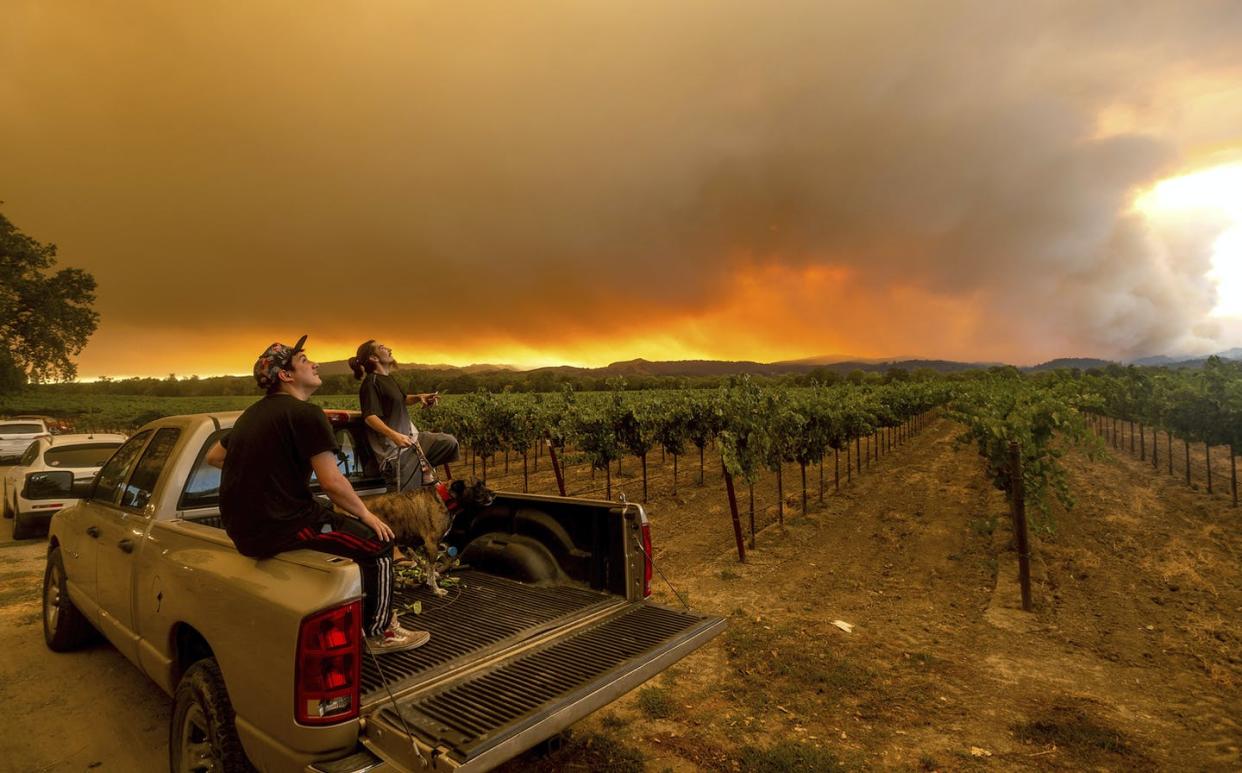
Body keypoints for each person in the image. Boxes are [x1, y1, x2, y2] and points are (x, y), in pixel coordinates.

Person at [205, 335, 429, 654]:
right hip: (282, 527)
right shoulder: (307, 414)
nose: (315, 364)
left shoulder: (251, 415)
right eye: (305, 361)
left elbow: (214, 456)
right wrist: (367, 516)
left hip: (244, 531)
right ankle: (381, 633)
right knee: (379, 543)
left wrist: (266, 474)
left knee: (328, 512)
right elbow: (332, 482)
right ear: (286, 375)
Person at [348, 339, 460, 491]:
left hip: (412, 443)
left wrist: (420, 397)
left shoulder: (388, 379)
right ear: (373, 358)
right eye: (382, 347)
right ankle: (418, 472)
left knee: (449, 442)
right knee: (411, 503)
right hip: (396, 453)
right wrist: (395, 436)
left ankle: (422, 468)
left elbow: (402, 399)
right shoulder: (371, 383)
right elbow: (370, 417)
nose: (389, 349)